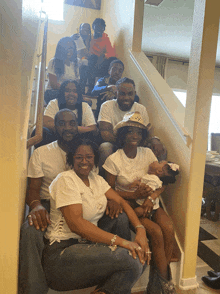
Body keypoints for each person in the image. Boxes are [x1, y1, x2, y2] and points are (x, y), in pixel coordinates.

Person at [19, 110, 131, 294]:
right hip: (50, 203)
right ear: (55, 126)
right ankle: (34, 288)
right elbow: (32, 190)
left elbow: (96, 182)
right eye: (62, 123)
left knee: (120, 218)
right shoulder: (41, 153)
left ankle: (115, 277)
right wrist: (36, 205)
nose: (67, 128)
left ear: (78, 126)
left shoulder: (85, 150)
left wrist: (110, 200)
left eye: (72, 123)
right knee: (30, 228)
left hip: (85, 201)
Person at [42, 138, 150, 293]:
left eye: (89, 157)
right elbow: (77, 225)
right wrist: (122, 242)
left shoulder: (97, 180)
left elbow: (123, 203)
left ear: (95, 160)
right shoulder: (65, 179)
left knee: (141, 254)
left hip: (86, 248)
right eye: (79, 157)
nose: (84, 161)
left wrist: (140, 230)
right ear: (72, 158)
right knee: (131, 258)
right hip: (61, 254)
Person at [103, 112, 177, 294]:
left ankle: (160, 282)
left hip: (150, 201)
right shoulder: (113, 159)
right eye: (130, 132)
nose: (134, 136)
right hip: (130, 204)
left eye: (138, 132)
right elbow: (108, 191)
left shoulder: (148, 153)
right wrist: (134, 194)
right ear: (122, 135)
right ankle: (164, 285)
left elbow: (161, 183)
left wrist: (151, 199)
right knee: (156, 232)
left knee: (168, 227)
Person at [43, 79, 97, 146]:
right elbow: (46, 123)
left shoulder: (84, 105)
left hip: (78, 141)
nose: (71, 94)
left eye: (75, 91)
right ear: (62, 92)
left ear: (78, 94)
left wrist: (68, 129)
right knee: (43, 131)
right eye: (67, 91)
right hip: (57, 139)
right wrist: (71, 128)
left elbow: (92, 128)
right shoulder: (54, 103)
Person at [86, 18, 117, 94]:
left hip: (100, 62)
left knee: (113, 59)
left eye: (101, 28)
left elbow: (111, 53)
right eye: (97, 27)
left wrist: (104, 56)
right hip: (90, 60)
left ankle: (107, 86)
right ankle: (90, 88)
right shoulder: (89, 37)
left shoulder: (105, 38)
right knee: (93, 58)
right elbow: (85, 51)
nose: (99, 30)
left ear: (103, 29)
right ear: (93, 27)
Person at [44, 37, 79, 104]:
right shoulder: (53, 62)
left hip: (69, 93)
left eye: (72, 48)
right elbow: (53, 85)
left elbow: (77, 84)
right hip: (54, 92)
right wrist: (68, 90)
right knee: (66, 98)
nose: (70, 50)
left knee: (86, 102)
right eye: (67, 47)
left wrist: (71, 92)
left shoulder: (75, 64)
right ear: (61, 49)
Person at [71, 23, 92, 93]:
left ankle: (83, 89)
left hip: (83, 62)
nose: (85, 29)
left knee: (86, 64)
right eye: (83, 27)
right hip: (73, 61)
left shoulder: (91, 39)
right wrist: (70, 39)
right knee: (84, 63)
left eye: (87, 28)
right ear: (80, 29)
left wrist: (87, 41)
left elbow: (88, 54)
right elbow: (84, 52)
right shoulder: (75, 37)